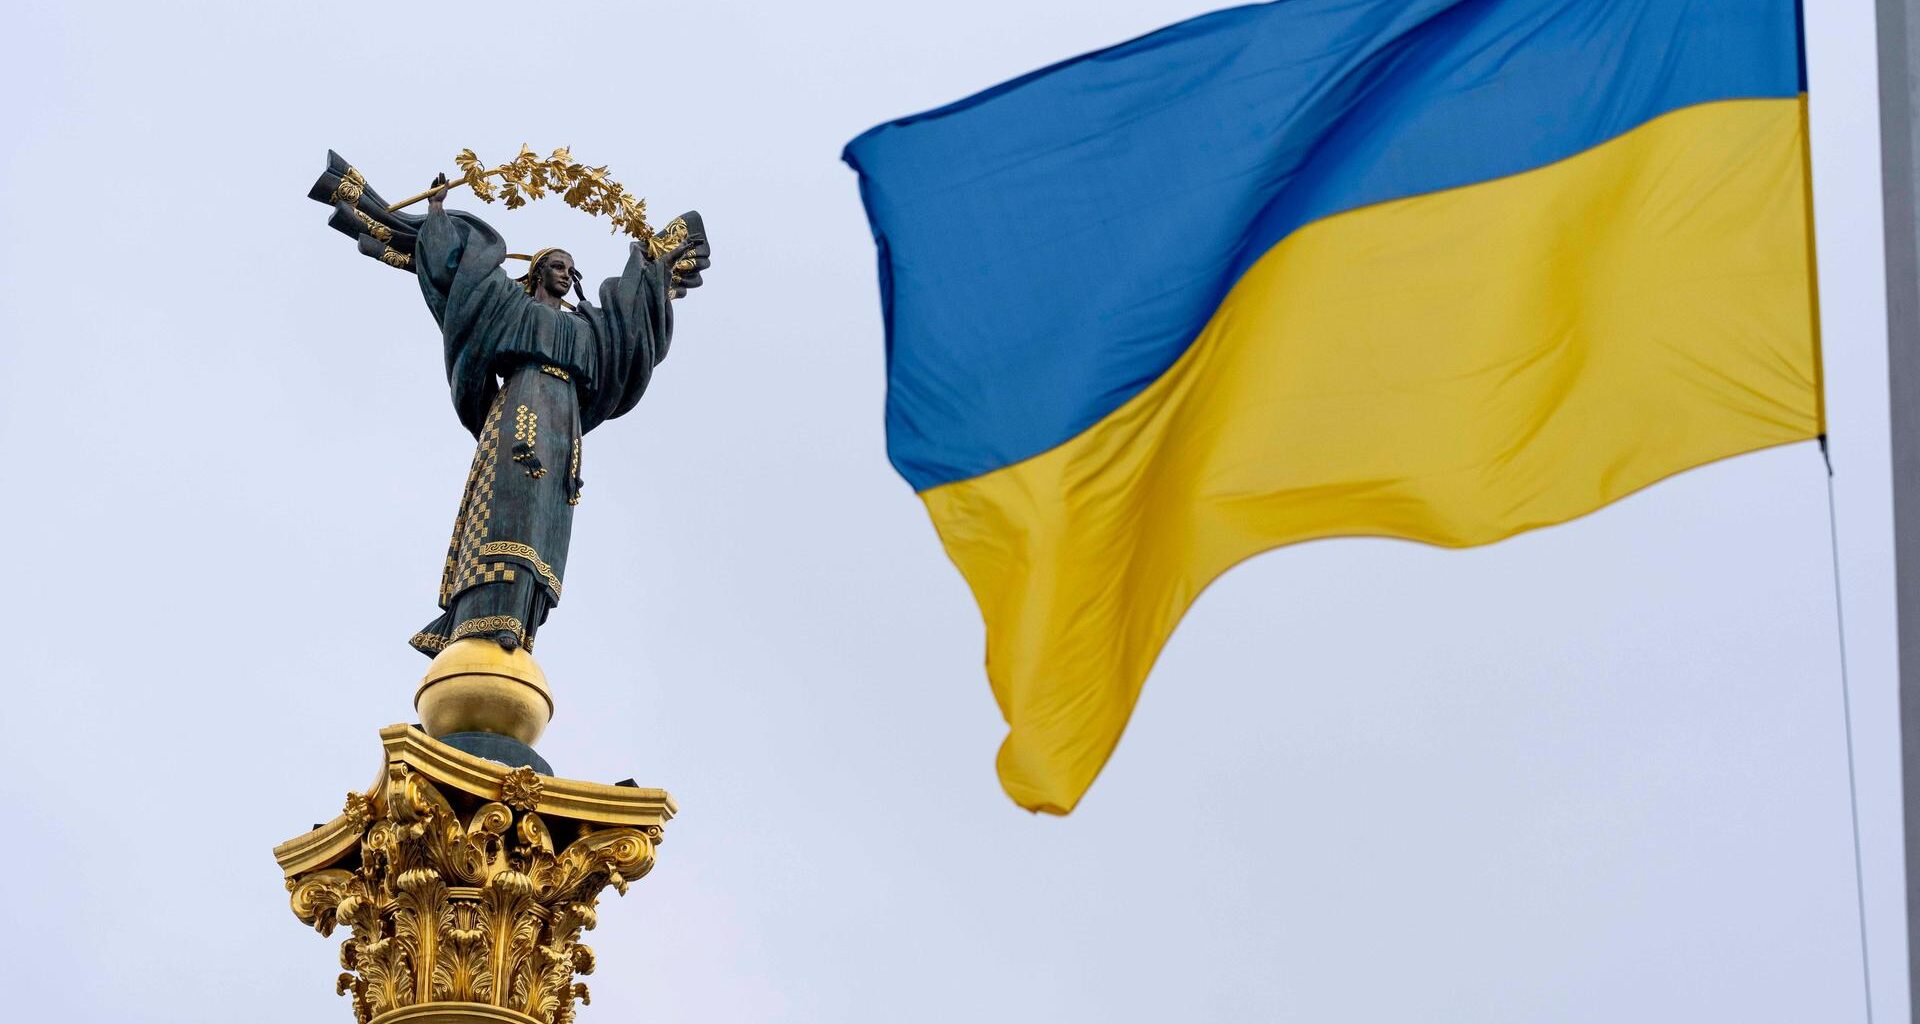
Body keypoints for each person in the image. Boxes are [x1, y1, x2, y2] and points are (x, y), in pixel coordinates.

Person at [407, 172, 709, 656]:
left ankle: (522, 620)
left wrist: (656, 267)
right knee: (509, 508)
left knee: (545, 519)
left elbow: (629, 329)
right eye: (557, 264)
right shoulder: (512, 308)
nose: (566, 273)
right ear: (538, 271)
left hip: (563, 425)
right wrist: (438, 212)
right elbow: (462, 277)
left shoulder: (586, 329)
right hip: (520, 409)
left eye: (571, 267)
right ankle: (481, 616)